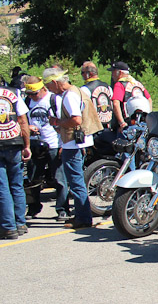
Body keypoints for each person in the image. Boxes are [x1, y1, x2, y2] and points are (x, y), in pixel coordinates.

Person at [44, 67, 94, 230]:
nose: (48, 90)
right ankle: (82, 215)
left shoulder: (69, 96)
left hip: (73, 144)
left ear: (54, 82)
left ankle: (83, 217)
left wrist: (57, 123)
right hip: (77, 142)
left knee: (76, 181)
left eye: (48, 85)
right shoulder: (74, 91)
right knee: (76, 180)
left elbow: (76, 120)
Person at [22, 76, 69, 221]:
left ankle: (62, 209)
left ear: (43, 88)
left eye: (34, 93)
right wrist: (28, 128)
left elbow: (64, 123)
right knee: (33, 178)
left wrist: (63, 144)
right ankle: (33, 207)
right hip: (36, 144)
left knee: (59, 178)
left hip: (54, 143)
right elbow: (23, 121)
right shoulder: (28, 101)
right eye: (29, 94)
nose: (32, 97)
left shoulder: (54, 99)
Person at [0, 74, 31, 239]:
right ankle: (20, 223)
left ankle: (8, 226)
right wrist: (26, 145)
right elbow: (23, 121)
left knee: (2, 188)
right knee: (17, 185)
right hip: (14, 142)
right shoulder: (14, 93)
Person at [108, 61, 151, 131]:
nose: (112, 75)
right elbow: (149, 99)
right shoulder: (137, 83)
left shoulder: (119, 84)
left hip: (127, 125)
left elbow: (115, 103)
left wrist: (121, 123)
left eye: (114, 72)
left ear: (120, 73)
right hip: (141, 122)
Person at [80, 61, 114, 129]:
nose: (82, 75)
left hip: (93, 127)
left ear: (89, 74)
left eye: (82, 72)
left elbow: (81, 108)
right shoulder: (108, 87)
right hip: (108, 125)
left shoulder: (85, 89)